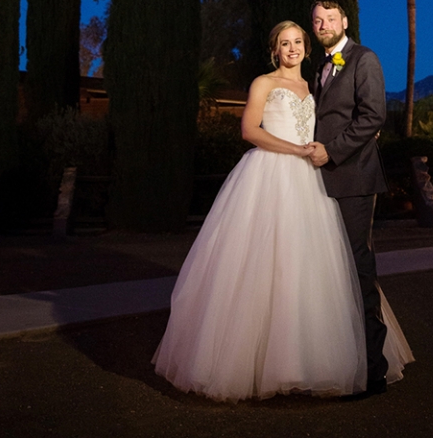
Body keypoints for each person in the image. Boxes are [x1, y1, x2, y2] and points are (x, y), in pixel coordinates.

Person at [153, 20, 410, 402]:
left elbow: (341, 119)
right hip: (270, 175)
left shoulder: (315, 87)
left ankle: (312, 360)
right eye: (284, 43)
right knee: (262, 265)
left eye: (297, 42)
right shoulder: (264, 83)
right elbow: (249, 130)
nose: (291, 49)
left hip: (312, 182)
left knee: (311, 269)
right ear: (274, 50)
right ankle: (254, 360)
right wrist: (296, 151)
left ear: (307, 48)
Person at [310, 0, 407, 397]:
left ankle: (373, 370)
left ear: (344, 21)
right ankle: (339, 359)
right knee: (330, 273)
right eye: (317, 20)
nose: (323, 25)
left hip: (354, 179)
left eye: (330, 18)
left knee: (358, 268)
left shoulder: (363, 58)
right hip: (319, 182)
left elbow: (373, 116)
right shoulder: (319, 68)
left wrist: (331, 151)